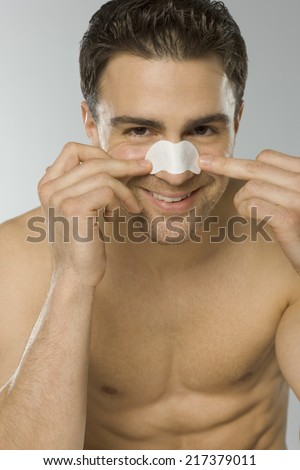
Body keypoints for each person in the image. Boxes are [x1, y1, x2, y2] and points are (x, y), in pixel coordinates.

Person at [0, 0, 299, 450]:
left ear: (236, 121)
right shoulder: (15, 260)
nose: (176, 173)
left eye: (202, 130)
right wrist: (71, 281)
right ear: (90, 123)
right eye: (139, 131)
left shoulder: (283, 240)